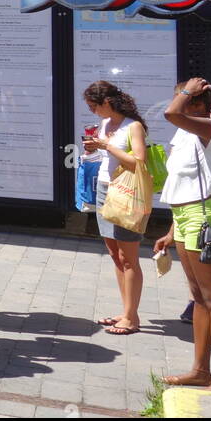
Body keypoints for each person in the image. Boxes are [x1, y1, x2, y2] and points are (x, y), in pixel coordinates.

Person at [152, 79, 211, 392]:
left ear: (201, 104)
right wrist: (170, 231)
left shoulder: (210, 128)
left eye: (184, 97)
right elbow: (187, 186)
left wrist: (186, 90)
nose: (179, 100)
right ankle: (200, 371)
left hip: (207, 219)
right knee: (200, 299)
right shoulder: (186, 133)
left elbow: (171, 113)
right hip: (185, 216)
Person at [81, 81, 149, 336]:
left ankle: (131, 317)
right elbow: (105, 157)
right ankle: (126, 311)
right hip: (104, 189)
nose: (92, 112)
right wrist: (93, 149)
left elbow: (138, 162)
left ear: (106, 102)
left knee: (128, 258)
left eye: (93, 106)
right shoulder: (105, 124)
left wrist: (105, 145)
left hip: (126, 193)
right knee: (114, 254)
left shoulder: (134, 126)